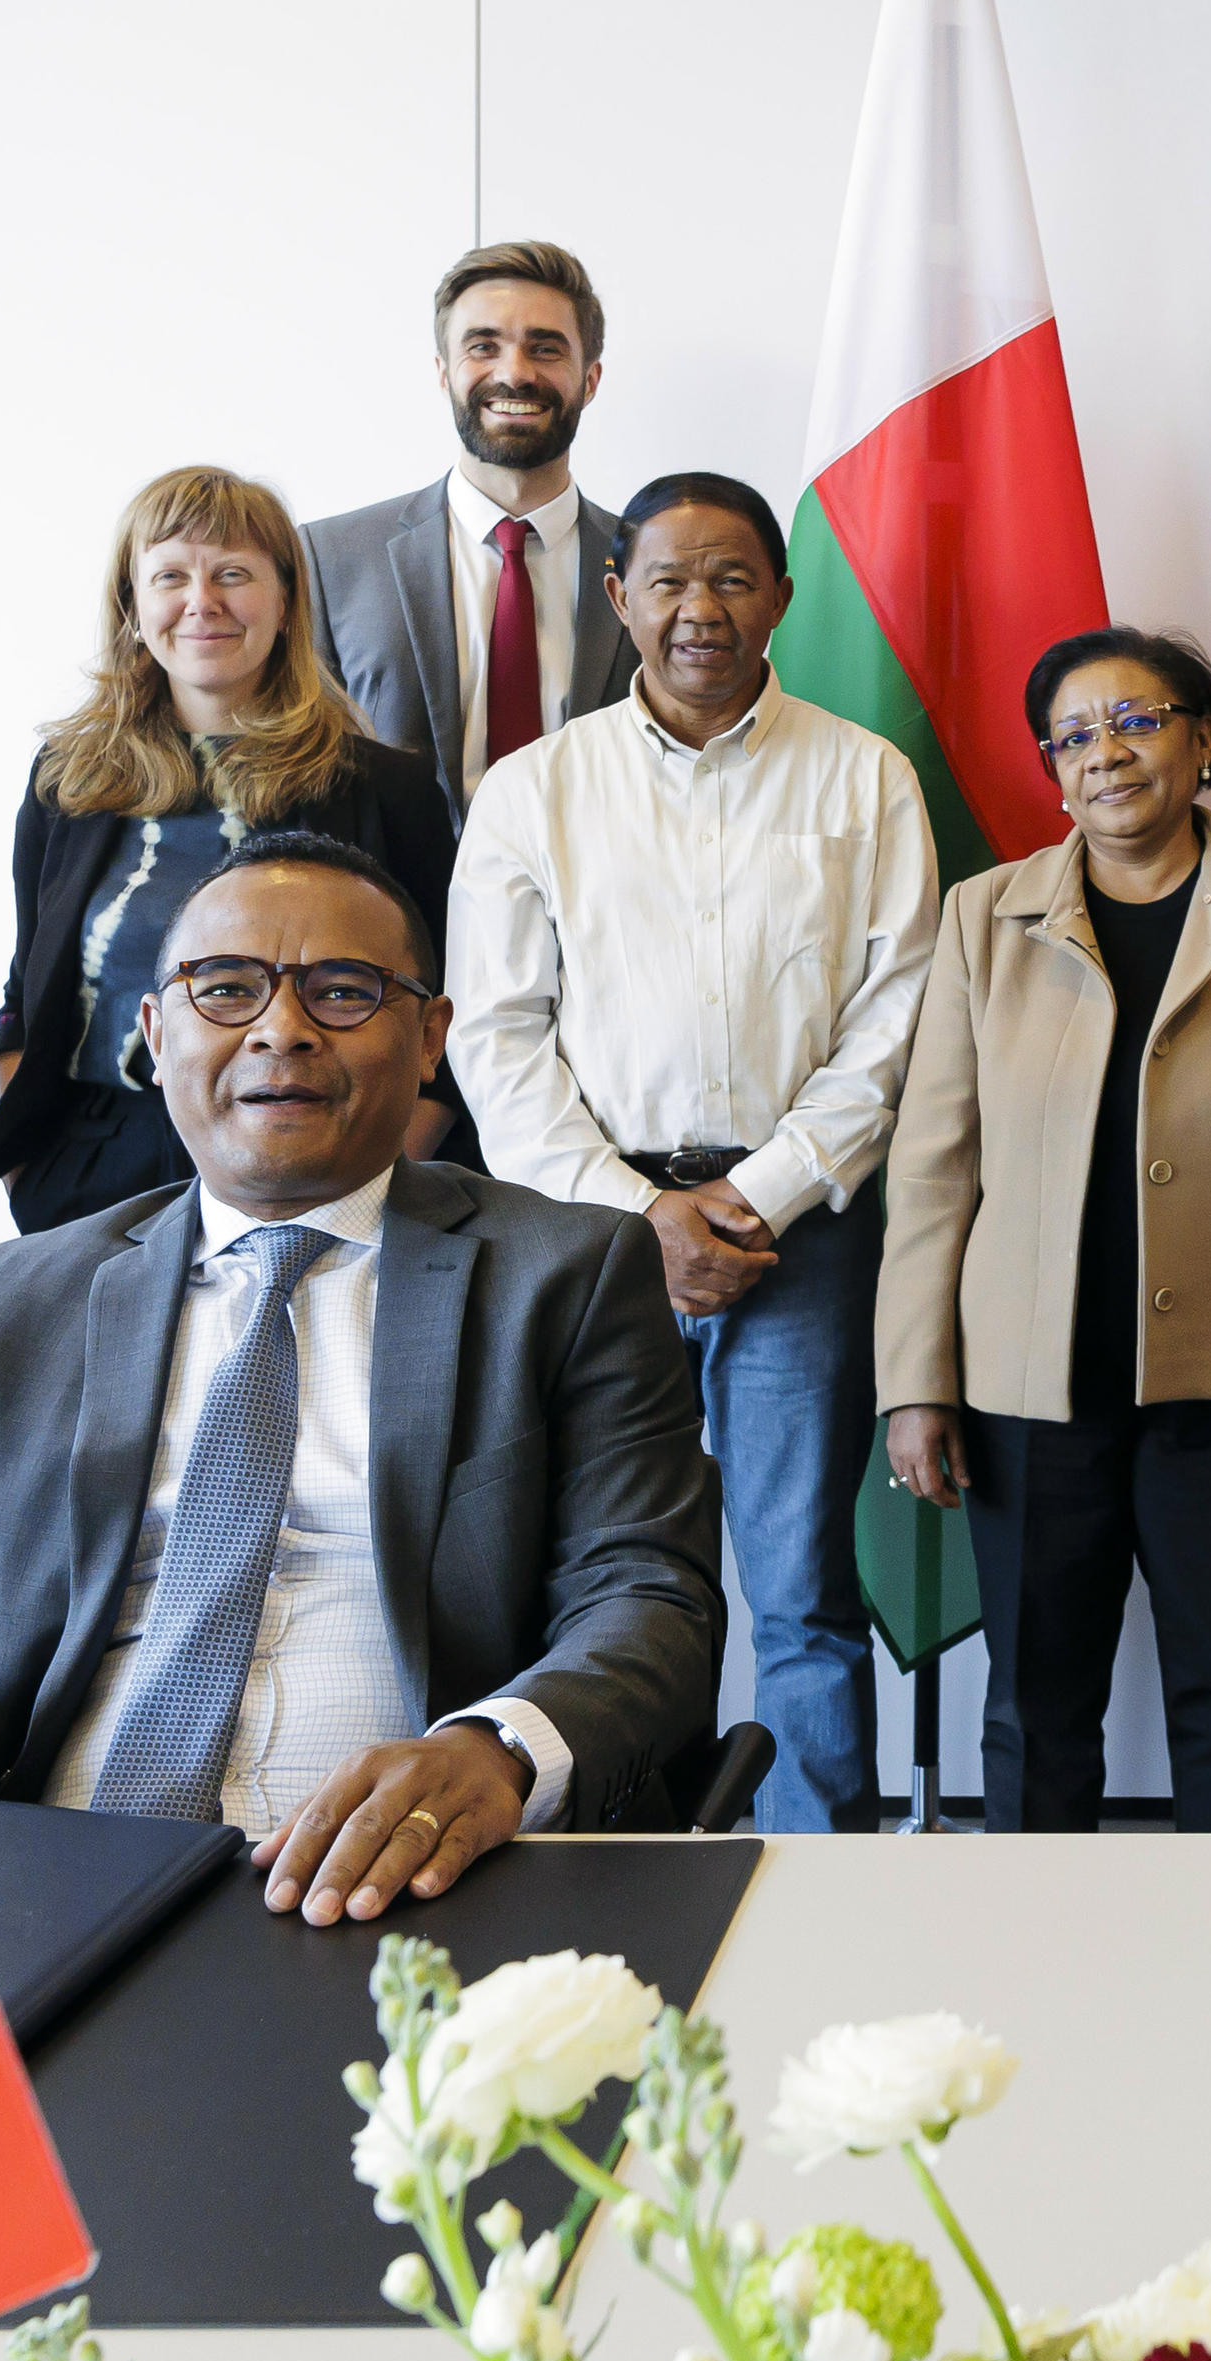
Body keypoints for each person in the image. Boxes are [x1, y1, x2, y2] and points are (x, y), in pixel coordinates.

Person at [0, 833, 725, 1922]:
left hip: (400, 1874)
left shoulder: (566, 1272)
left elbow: (646, 1598)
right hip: (62, 1871)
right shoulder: (14, 1301)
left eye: (343, 991)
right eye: (224, 989)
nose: (281, 1028)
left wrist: (494, 1747)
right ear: (153, 1033)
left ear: (428, 1039)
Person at [447, 473, 939, 1834]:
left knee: (798, 1592)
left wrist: (753, 1193)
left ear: (783, 599)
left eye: (732, 579)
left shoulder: (864, 775)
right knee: (601, 1585)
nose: (699, 609)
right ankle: (609, 1864)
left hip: (803, 1237)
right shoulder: (533, 790)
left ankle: (819, 1880)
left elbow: (897, 1018)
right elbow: (496, 1041)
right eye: (667, 580)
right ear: (619, 599)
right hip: (587, 1249)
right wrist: (637, 1218)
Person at [877, 629, 1211, 1832]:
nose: (1105, 752)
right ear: (1052, 770)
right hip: (1027, 1392)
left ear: (1202, 740)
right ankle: (1035, 1970)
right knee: (1032, 1700)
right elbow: (933, 1166)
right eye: (1073, 734)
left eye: (1138, 720)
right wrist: (917, 1378)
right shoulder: (983, 916)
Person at [0, 466, 461, 1234]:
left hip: (309, 1164)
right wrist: (34, 1173)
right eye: (170, 576)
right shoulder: (68, 780)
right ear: (132, 606)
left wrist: (378, 1176)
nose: (203, 602)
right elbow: (28, 992)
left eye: (233, 574)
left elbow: (437, 1011)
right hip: (88, 1171)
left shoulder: (381, 786)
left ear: (287, 601)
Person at [308, 240, 637, 825]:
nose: (514, 373)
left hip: (600, 913)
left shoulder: (645, 562)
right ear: (443, 373)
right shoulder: (329, 560)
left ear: (590, 380)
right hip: (394, 913)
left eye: (545, 348)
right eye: (483, 346)